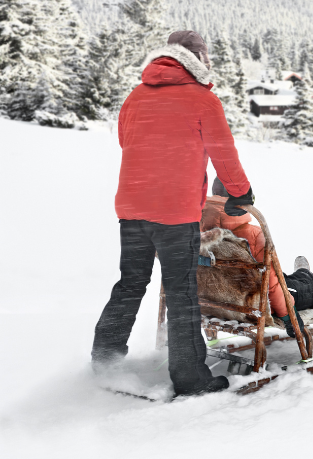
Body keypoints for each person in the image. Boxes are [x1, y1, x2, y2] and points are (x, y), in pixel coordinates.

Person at [92, 31, 254, 397]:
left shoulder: (135, 96)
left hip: (132, 208)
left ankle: (104, 360)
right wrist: (241, 192)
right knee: (182, 291)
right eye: (206, 55)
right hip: (176, 213)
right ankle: (191, 379)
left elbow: (127, 141)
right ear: (196, 57)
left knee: (130, 284)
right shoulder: (202, 99)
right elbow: (223, 153)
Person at [202, 178, 313, 336]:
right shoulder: (252, 234)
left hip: (220, 302)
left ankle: (303, 274)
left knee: (286, 280)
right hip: (254, 304)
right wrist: (289, 317)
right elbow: (272, 285)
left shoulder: (197, 232)